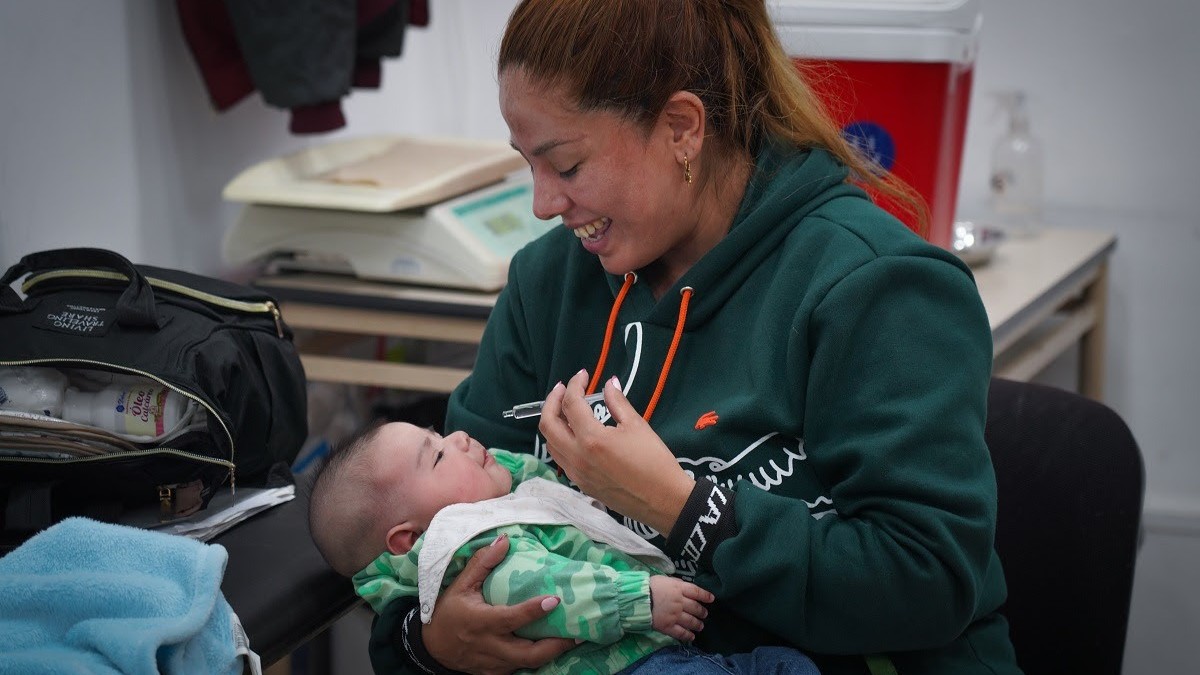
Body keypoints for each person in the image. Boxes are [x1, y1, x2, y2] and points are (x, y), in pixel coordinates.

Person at [370, 0, 1024, 674]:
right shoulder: (547, 287)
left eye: (565, 166)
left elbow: (926, 581)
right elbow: (425, 544)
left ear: (682, 128)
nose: (542, 204)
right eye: (527, 164)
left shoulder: (876, 287)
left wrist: (682, 508)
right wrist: (430, 641)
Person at [308, 420, 822, 675]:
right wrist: (639, 600)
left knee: (785, 665)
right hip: (625, 666)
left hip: (674, 654)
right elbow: (549, 593)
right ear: (410, 538)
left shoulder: (493, 502)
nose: (460, 436)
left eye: (439, 433)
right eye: (438, 456)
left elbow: (535, 480)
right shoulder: (474, 551)